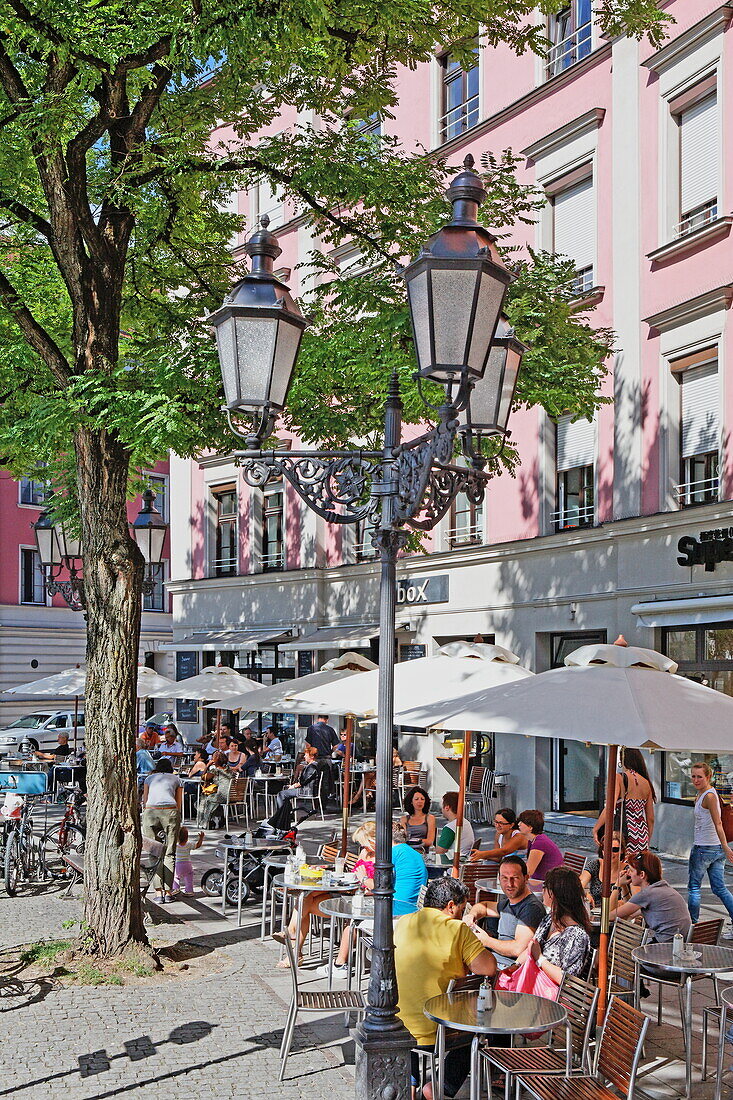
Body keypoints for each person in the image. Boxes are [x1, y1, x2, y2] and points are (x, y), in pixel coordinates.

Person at [394, 876, 496, 1100]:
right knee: (475, 1033)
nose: (462, 914)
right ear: (451, 906)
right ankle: (441, 1086)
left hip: (399, 1025)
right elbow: (488, 968)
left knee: (413, 1009)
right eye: (461, 909)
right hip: (437, 1033)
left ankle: (410, 1083)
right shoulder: (457, 928)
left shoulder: (404, 921)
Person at [463, 854, 546, 969]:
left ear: (526, 878)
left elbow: (518, 949)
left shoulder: (531, 908)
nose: (509, 884)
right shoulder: (510, 902)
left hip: (506, 968)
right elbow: (484, 906)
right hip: (493, 960)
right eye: (504, 878)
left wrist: (486, 941)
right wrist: (471, 915)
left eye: (515, 878)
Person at [513, 866, 591, 988]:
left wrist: (540, 959)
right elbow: (531, 948)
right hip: (533, 986)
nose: (542, 891)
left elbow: (568, 981)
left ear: (553, 894)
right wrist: (514, 967)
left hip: (554, 999)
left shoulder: (576, 935)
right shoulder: (550, 919)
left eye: (544, 887)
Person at [609, 850, 691, 941]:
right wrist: (624, 886)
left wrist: (617, 885)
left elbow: (609, 916)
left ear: (642, 874)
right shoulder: (662, 888)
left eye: (631, 870)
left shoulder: (647, 894)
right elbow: (630, 913)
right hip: (678, 943)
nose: (627, 873)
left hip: (663, 948)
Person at [687, 761, 733, 924]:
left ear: (708, 777)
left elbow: (718, 823)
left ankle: (692, 925)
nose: (696, 780)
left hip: (705, 848)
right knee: (719, 888)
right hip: (713, 848)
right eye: (693, 776)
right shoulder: (701, 794)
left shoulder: (710, 796)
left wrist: (725, 847)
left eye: (699, 776)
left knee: (694, 888)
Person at [594, 746, 656, 855]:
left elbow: (610, 807)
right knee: (635, 869)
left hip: (624, 832)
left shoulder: (619, 778)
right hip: (641, 833)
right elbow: (650, 818)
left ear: (622, 760)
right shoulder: (646, 782)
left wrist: (596, 828)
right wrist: (647, 840)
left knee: (620, 867)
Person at [142, 758, 183, 903]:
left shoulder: (149, 779)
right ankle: (168, 892)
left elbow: (145, 800)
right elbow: (179, 803)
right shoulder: (176, 779)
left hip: (151, 812)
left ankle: (158, 892)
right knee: (170, 853)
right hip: (170, 811)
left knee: (153, 852)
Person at [269, 745, 320, 825]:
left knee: (281, 794)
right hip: (306, 789)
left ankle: (281, 815)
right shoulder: (312, 766)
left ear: (312, 756)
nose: (304, 757)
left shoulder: (312, 767)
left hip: (306, 790)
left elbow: (304, 781)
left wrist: (294, 786)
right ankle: (288, 814)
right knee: (284, 793)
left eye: (306, 755)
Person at [580, 829, 626, 911]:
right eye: (607, 849)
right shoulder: (595, 864)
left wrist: (622, 903)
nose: (610, 853)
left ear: (622, 851)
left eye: (615, 850)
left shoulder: (628, 870)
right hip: (594, 912)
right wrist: (585, 894)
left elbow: (636, 899)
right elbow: (578, 886)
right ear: (602, 850)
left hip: (617, 915)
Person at [516, 810, 563, 887]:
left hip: (549, 884)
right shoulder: (534, 840)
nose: (519, 824)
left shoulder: (539, 843)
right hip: (544, 881)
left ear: (530, 827)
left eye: (522, 822)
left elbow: (529, 871)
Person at [392, 822, 428, 905]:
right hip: (415, 904)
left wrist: (364, 879)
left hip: (398, 906)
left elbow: (381, 885)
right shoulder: (415, 853)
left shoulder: (393, 852)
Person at [435, 791, 474, 865]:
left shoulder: (450, 827)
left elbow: (440, 851)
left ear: (447, 807)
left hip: (452, 865)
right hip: (463, 861)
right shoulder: (466, 822)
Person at [196, 751, 231, 829]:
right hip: (232, 796)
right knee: (209, 797)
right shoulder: (229, 770)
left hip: (222, 796)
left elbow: (203, 777)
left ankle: (205, 821)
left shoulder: (215, 770)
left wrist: (207, 765)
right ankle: (217, 818)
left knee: (204, 798)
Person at [400, 785, 437, 852]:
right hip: (407, 851)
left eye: (422, 799)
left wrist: (412, 841)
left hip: (423, 852)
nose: (420, 801)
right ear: (411, 801)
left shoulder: (430, 818)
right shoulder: (404, 819)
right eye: (416, 799)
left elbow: (430, 841)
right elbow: (402, 840)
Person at [172, 826, 204, 896]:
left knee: (175, 877)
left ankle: (176, 888)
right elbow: (198, 845)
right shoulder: (189, 844)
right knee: (189, 878)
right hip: (187, 865)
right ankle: (189, 891)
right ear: (187, 837)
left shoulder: (175, 845)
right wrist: (201, 838)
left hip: (178, 865)